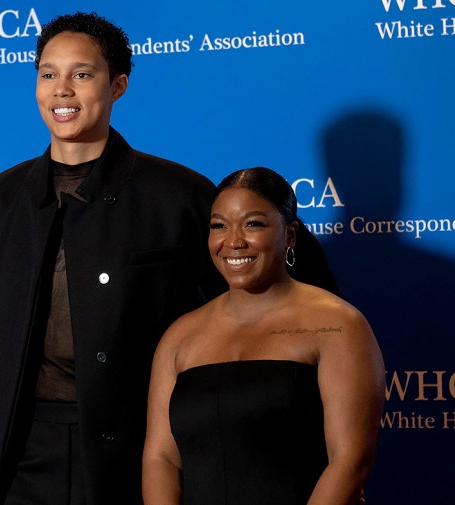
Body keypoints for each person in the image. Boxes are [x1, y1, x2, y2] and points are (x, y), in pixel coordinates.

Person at [0, 11, 224, 505]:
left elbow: (225, 327)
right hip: (18, 450)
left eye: (81, 74)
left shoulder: (181, 196)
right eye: (48, 74)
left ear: (118, 85)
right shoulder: (1, 199)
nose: (61, 90)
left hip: (138, 448)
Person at [142, 167, 385, 505]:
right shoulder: (180, 336)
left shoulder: (338, 325)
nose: (233, 241)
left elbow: (350, 462)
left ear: (290, 236)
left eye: (253, 224)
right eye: (219, 226)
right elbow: (161, 459)